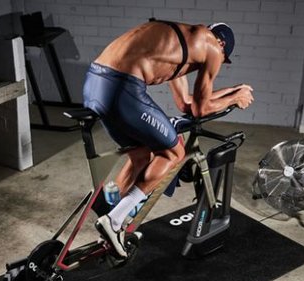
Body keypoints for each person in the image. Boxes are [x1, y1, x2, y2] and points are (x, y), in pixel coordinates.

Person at [83, 20, 254, 258]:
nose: (216, 65)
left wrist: (232, 91)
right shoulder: (213, 47)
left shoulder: (183, 43)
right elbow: (200, 110)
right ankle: (113, 221)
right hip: (122, 87)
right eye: (222, 61)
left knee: (141, 155)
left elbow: (186, 102)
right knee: (174, 152)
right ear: (222, 45)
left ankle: (110, 215)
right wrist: (235, 99)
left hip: (95, 83)